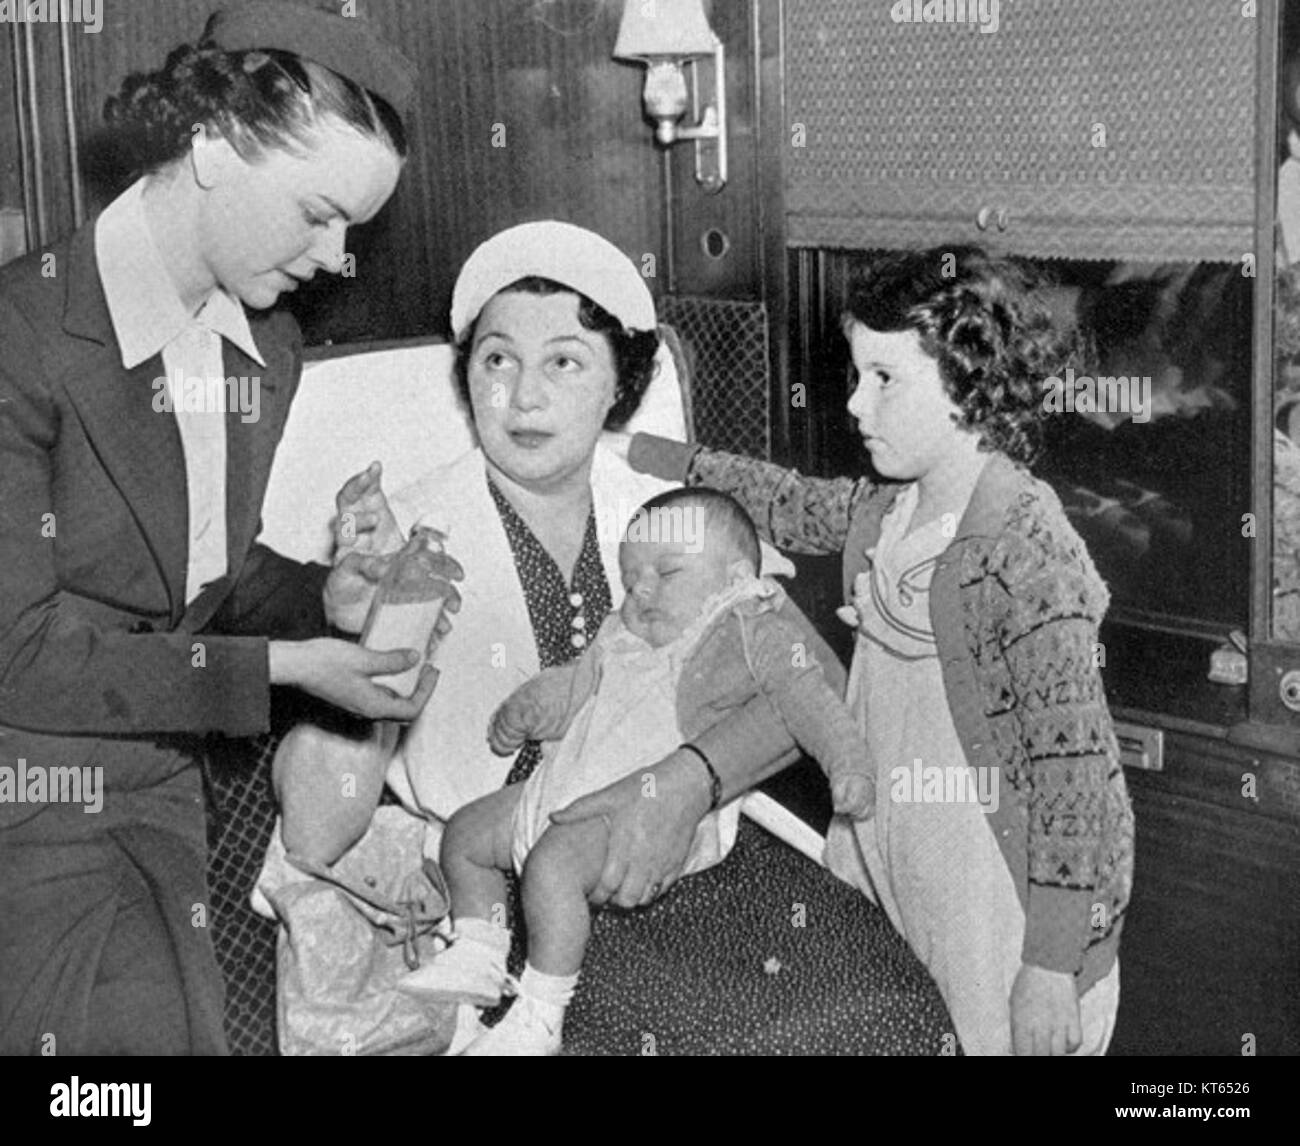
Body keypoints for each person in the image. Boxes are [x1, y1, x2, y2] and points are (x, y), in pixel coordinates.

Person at [259, 220, 953, 1056]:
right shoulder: (402, 538)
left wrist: (688, 781)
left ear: (619, 382)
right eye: (496, 359)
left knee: (886, 1002)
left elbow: (801, 679)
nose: (522, 397)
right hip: (514, 884)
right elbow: (316, 830)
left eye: (564, 361)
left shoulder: (667, 514)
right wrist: (360, 636)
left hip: (697, 849)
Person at [0, 2, 461, 1055]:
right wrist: (290, 668)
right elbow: (15, 657)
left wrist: (322, 597)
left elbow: (187, 570)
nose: (335, 254)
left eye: (354, 226)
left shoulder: (265, 342)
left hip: (157, 779)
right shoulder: (20, 341)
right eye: (316, 211)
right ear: (211, 144)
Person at [627, 246, 1137, 1056]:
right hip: (888, 857)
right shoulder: (886, 513)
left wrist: (1048, 965)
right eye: (857, 374)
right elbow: (784, 501)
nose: (856, 403)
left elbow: (1076, 782)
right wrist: (644, 455)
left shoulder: (1028, 551)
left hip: (994, 903)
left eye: (885, 379)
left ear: (969, 375)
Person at [397, 488, 873, 1054]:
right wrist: (532, 706)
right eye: (631, 577)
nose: (641, 590)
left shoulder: (747, 625)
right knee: (468, 834)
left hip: (635, 819)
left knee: (551, 869)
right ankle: (479, 950)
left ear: (736, 576)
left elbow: (811, 698)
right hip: (561, 793)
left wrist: (848, 764)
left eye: (667, 572)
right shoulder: (620, 632)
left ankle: (540, 1014)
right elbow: (579, 688)